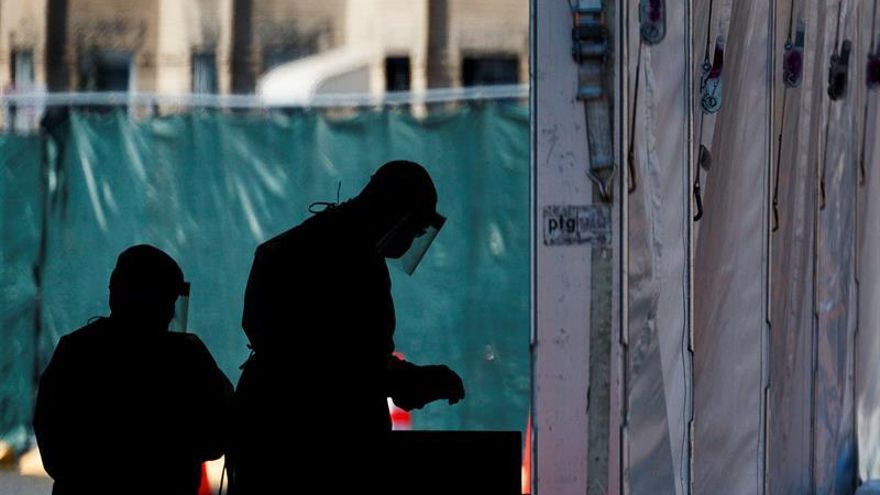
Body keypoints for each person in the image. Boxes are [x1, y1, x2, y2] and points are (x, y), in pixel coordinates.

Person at [229, 160, 466, 493]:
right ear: (399, 213)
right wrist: (417, 382)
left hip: (267, 434)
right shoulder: (354, 259)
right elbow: (352, 364)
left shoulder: (312, 242)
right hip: (321, 447)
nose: (412, 239)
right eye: (413, 228)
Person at [33, 244, 234, 495]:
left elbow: (54, 446)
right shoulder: (187, 356)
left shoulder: (77, 349)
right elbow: (217, 434)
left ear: (114, 293)